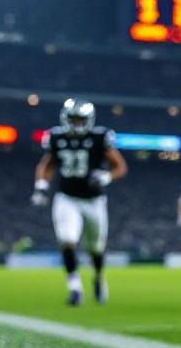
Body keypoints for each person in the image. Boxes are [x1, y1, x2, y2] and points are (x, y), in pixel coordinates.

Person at [32, 98, 128, 306]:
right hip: (67, 197)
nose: (76, 124)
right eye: (73, 119)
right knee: (67, 239)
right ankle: (74, 286)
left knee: (95, 248)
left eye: (80, 120)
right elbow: (46, 165)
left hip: (94, 200)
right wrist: (41, 185)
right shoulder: (56, 137)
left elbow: (120, 166)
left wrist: (107, 176)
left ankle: (98, 277)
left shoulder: (100, 137)